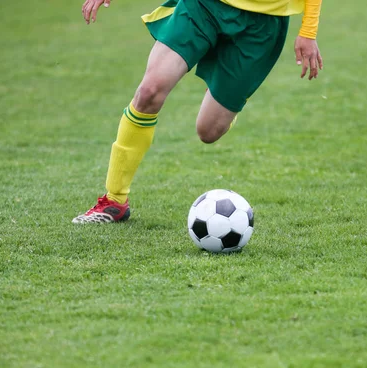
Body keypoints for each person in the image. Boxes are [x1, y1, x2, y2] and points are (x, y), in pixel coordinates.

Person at [73, 0, 324, 223]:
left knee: (209, 130)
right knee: (149, 91)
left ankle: (223, 91)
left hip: (262, 24)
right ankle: (114, 200)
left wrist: (308, 31)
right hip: (205, 6)